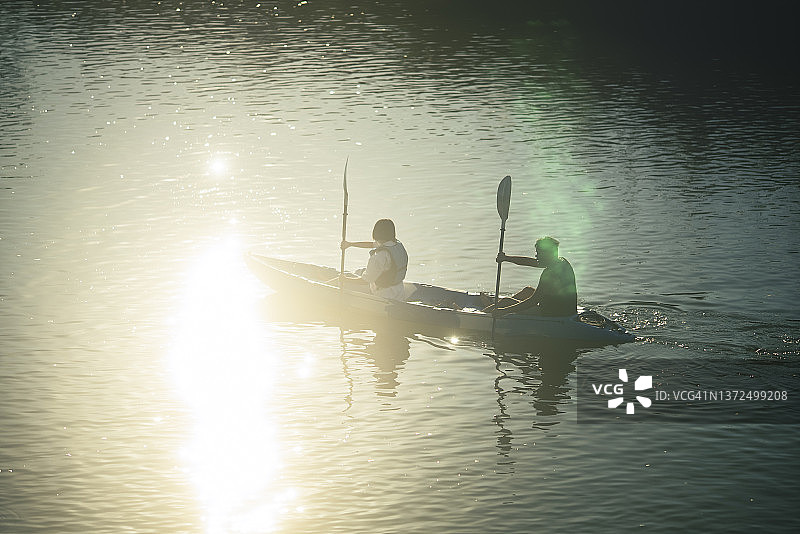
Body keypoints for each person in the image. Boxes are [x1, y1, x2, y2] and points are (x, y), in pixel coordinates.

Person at [483, 236, 577, 317]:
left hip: (553, 314)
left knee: (506, 301)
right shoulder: (562, 262)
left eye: (538, 252)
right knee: (527, 291)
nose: (536, 256)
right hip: (566, 310)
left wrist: (504, 311)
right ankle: (494, 305)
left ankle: (482, 314)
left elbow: (533, 301)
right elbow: (530, 262)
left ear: (547, 253)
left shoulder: (549, 273)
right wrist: (506, 258)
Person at [341, 219, 408, 301]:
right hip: (399, 291)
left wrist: (345, 279)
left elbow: (365, 280)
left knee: (355, 276)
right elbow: (371, 244)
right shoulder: (397, 244)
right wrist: (350, 244)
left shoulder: (379, 256)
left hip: (383, 295)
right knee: (360, 271)